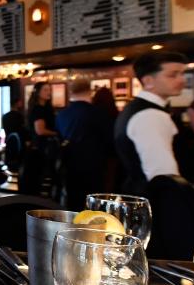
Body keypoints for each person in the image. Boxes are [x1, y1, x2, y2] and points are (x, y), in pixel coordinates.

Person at [114, 51, 187, 195]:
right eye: (173, 75)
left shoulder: (141, 109)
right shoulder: (150, 115)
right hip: (156, 201)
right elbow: (163, 175)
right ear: (148, 81)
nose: (182, 80)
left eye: (182, 74)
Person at [56, 79, 113, 209]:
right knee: (94, 205)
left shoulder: (62, 114)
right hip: (94, 166)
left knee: (73, 203)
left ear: (71, 92)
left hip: (69, 164)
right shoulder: (98, 112)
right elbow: (110, 139)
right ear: (89, 91)